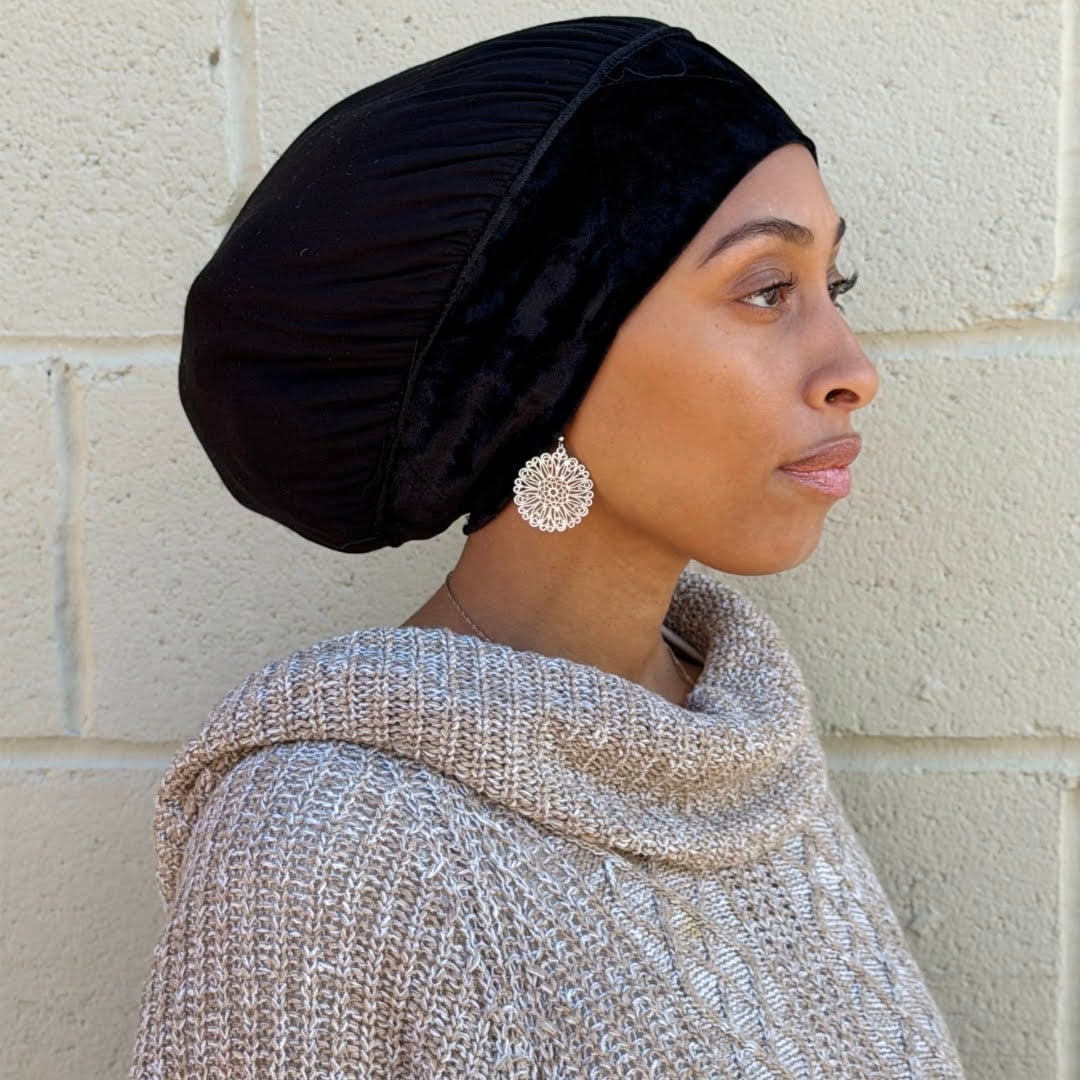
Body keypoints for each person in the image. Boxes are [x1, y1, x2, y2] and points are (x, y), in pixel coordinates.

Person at [131, 16, 965, 1077]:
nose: (853, 369)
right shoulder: (324, 845)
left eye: (832, 288)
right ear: (542, 361)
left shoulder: (744, 752)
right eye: (766, 290)